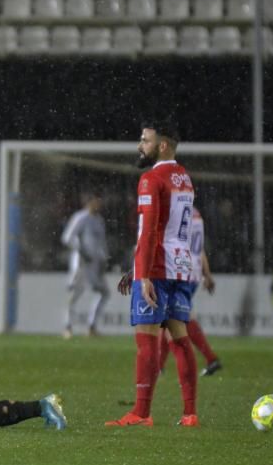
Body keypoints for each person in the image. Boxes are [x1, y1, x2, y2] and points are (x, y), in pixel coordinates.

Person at [108, 120, 199, 428]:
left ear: (162, 145)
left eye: (145, 140)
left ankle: (141, 413)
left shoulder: (151, 178)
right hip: (181, 265)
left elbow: (149, 231)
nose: (139, 145)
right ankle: (190, 414)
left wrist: (142, 273)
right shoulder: (184, 177)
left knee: (147, 341)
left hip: (157, 267)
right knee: (180, 340)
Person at [158, 206, 222, 377]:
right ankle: (159, 365)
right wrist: (206, 274)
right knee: (170, 319)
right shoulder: (195, 214)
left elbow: (171, 242)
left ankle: (209, 359)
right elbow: (199, 248)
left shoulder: (175, 212)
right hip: (193, 270)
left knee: (172, 318)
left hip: (179, 268)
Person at [61, 192, 109, 338]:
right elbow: (67, 238)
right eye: (96, 201)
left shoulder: (99, 220)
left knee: (104, 293)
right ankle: (68, 327)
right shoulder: (81, 217)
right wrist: (81, 251)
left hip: (95, 264)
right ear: (89, 202)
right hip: (81, 263)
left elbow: (101, 243)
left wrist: (103, 259)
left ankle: (91, 326)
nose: (99, 204)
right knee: (74, 294)